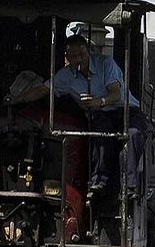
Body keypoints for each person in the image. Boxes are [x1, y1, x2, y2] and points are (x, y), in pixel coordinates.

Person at [14, 34, 147, 196]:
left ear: (88, 51)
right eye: (73, 56)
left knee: (134, 134)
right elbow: (44, 89)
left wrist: (98, 102)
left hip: (126, 110)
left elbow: (116, 94)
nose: (79, 59)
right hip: (100, 115)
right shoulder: (65, 75)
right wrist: (17, 99)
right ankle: (99, 181)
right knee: (99, 130)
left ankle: (130, 187)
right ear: (67, 57)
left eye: (81, 55)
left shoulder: (106, 63)